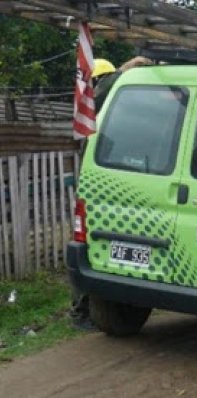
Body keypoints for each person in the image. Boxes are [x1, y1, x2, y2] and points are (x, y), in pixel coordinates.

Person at [69, 56, 154, 329]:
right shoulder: (99, 97)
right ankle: (83, 310)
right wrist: (130, 67)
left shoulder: (100, 106)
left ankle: (87, 308)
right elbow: (114, 81)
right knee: (90, 242)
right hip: (99, 182)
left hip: (98, 180)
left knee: (91, 242)